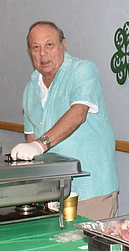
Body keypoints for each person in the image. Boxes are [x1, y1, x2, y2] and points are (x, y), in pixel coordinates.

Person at [11, 21, 120, 221]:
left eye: (49, 45)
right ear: (30, 52)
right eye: (36, 47)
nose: (42, 53)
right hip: (51, 192)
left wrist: (39, 145)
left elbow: (78, 113)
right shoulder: (30, 89)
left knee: (88, 249)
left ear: (63, 45)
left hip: (91, 189)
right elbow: (30, 138)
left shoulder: (82, 71)